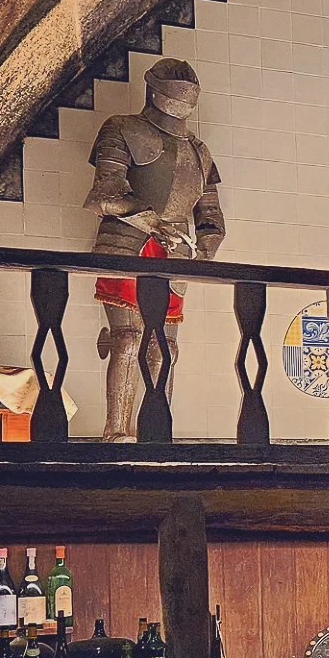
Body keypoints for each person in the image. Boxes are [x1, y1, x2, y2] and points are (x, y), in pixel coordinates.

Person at [84, 59, 225, 441]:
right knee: (128, 341)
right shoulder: (122, 128)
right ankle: (115, 433)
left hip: (177, 255)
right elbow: (105, 195)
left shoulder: (199, 150)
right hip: (129, 242)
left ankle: (157, 434)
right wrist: (151, 221)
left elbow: (210, 214)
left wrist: (205, 252)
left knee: (166, 348)